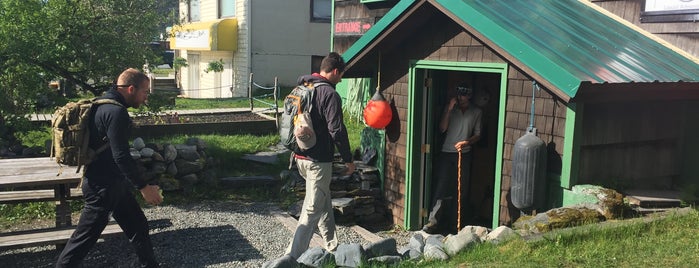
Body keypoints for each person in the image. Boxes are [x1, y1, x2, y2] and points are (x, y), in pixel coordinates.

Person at [56, 68, 163, 268]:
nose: (146, 97)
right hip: (102, 189)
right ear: (131, 89)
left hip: (114, 184)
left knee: (138, 227)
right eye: (145, 92)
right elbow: (121, 156)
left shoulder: (100, 105)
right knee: (83, 240)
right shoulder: (116, 112)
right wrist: (144, 187)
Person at [285, 52, 355, 259]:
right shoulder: (329, 94)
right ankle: (290, 258)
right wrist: (348, 159)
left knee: (322, 200)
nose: (341, 79)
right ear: (334, 71)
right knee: (311, 210)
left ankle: (332, 247)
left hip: (300, 157)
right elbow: (337, 131)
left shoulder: (302, 88)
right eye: (341, 75)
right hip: (318, 161)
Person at [422, 83, 482, 234]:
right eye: (460, 94)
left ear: (470, 95)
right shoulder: (451, 109)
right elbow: (442, 128)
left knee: (461, 189)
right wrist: (449, 109)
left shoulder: (476, 112)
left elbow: (478, 134)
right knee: (441, 186)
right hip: (447, 152)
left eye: (465, 94)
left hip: (464, 153)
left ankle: (456, 224)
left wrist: (466, 142)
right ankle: (433, 221)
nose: (462, 97)